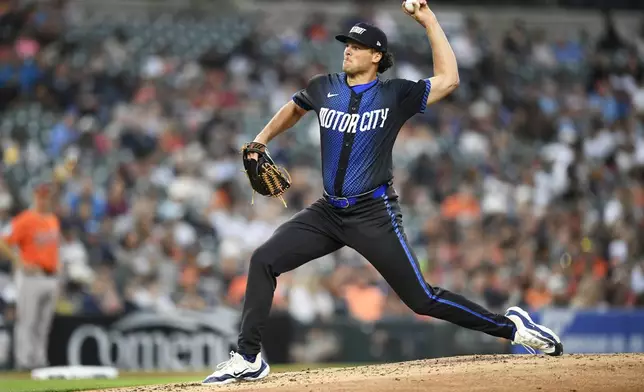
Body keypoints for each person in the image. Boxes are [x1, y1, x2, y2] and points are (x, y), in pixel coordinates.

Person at [203, 1, 563, 385]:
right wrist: (260, 140)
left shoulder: (395, 95)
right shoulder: (324, 87)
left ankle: (513, 329)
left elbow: (449, 80)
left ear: (377, 56)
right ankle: (248, 357)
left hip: (373, 214)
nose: (348, 49)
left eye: (357, 46)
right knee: (263, 260)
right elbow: (295, 107)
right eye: (346, 44)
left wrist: (429, 21)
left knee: (422, 299)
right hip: (328, 212)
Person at [0, 181, 61, 370]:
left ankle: (39, 362)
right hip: (31, 278)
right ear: (35, 196)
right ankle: (24, 363)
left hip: (51, 277)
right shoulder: (25, 219)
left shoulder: (53, 219)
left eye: (46, 195)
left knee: (43, 325)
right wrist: (19, 261)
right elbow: (3, 241)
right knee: (27, 321)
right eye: (40, 195)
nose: (43, 199)